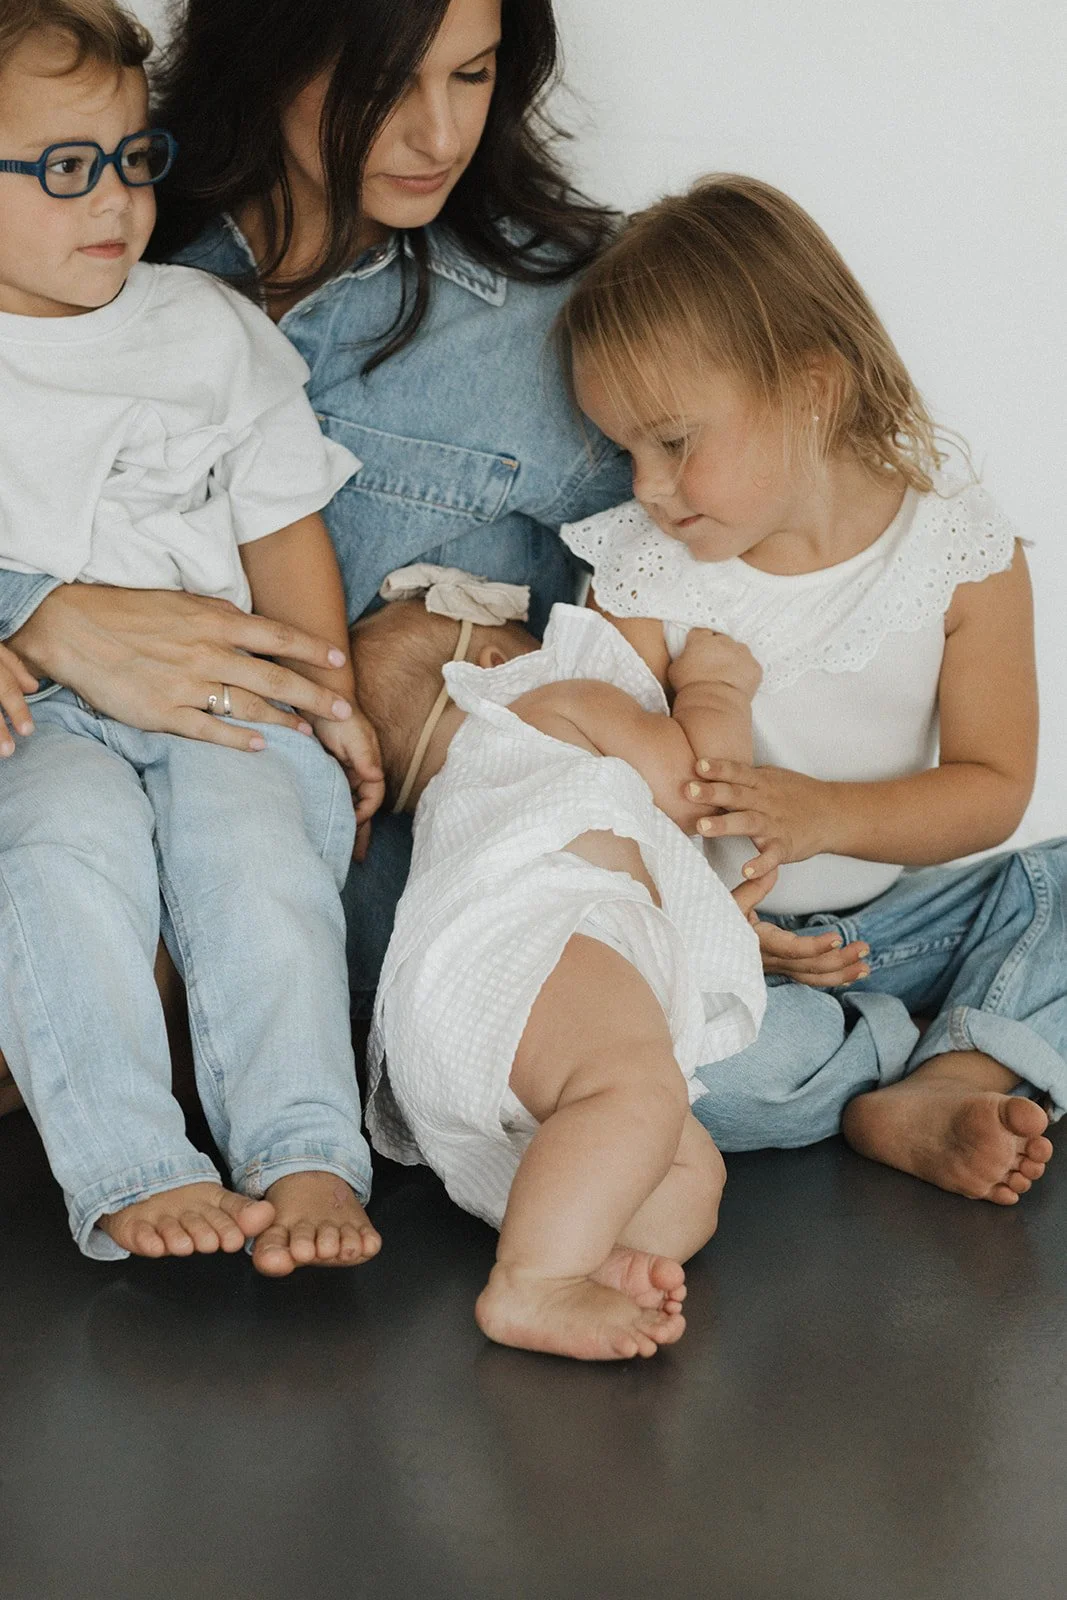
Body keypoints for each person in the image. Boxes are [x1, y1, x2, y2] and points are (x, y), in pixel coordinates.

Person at [0, 0, 633, 1121]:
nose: (439, 135)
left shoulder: (573, 317)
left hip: (352, 874)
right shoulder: (95, 235)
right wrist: (39, 611)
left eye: (473, 74)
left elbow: (720, 583)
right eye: (383, 85)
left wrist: (442, 663)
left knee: (719, 1072)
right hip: (64, 813)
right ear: (270, 54)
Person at [557, 173, 1066, 1205]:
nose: (645, 488)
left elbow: (991, 788)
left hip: (911, 923)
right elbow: (593, 804)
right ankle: (925, 1064)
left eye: (673, 442)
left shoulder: (957, 555)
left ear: (811, 390)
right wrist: (703, 926)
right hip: (732, 959)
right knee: (680, 1072)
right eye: (624, 451)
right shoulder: (642, 580)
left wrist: (827, 815)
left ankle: (940, 1072)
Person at [0, 0, 386, 1272]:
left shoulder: (205, 328)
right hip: (41, 719)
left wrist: (325, 700)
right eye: (65, 167)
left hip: (224, 693)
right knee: (55, 844)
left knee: (253, 852)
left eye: (131, 156)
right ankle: (128, 1163)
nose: (115, 198)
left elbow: (282, 530)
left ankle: (305, 1142)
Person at [351, 580, 766, 1358]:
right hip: (536, 940)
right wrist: (717, 689)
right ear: (494, 660)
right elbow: (698, 790)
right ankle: (534, 1282)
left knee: (683, 1171)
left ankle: (587, 1251)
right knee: (638, 1096)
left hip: (451, 1011)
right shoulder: (552, 702)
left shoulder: (454, 799)